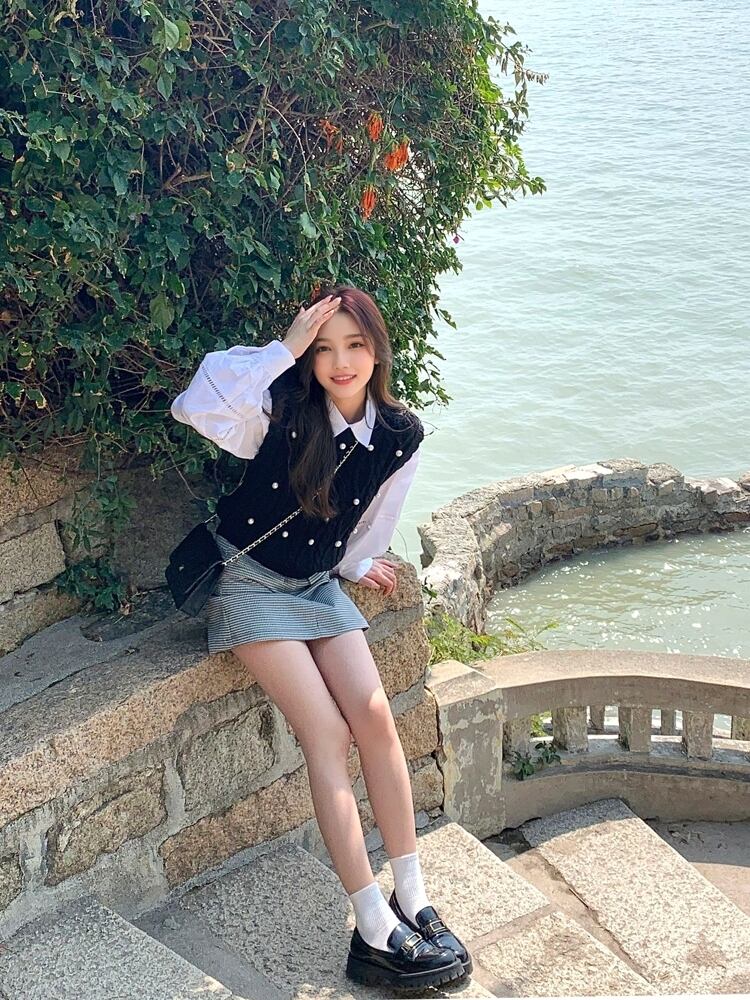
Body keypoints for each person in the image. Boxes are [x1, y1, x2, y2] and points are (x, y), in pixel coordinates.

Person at [170, 285, 471, 990]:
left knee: (375, 716)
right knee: (328, 733)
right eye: (325, 348)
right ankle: (370, 925)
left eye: (355, 345)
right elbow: (198, 402)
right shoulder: (280, 409)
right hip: (249, 583)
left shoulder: (399, 433)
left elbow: (371, 518)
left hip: (316, 585)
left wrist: (357, 564)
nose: (341, 363)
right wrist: (285, 347)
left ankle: (413, 897)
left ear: (377, 351)